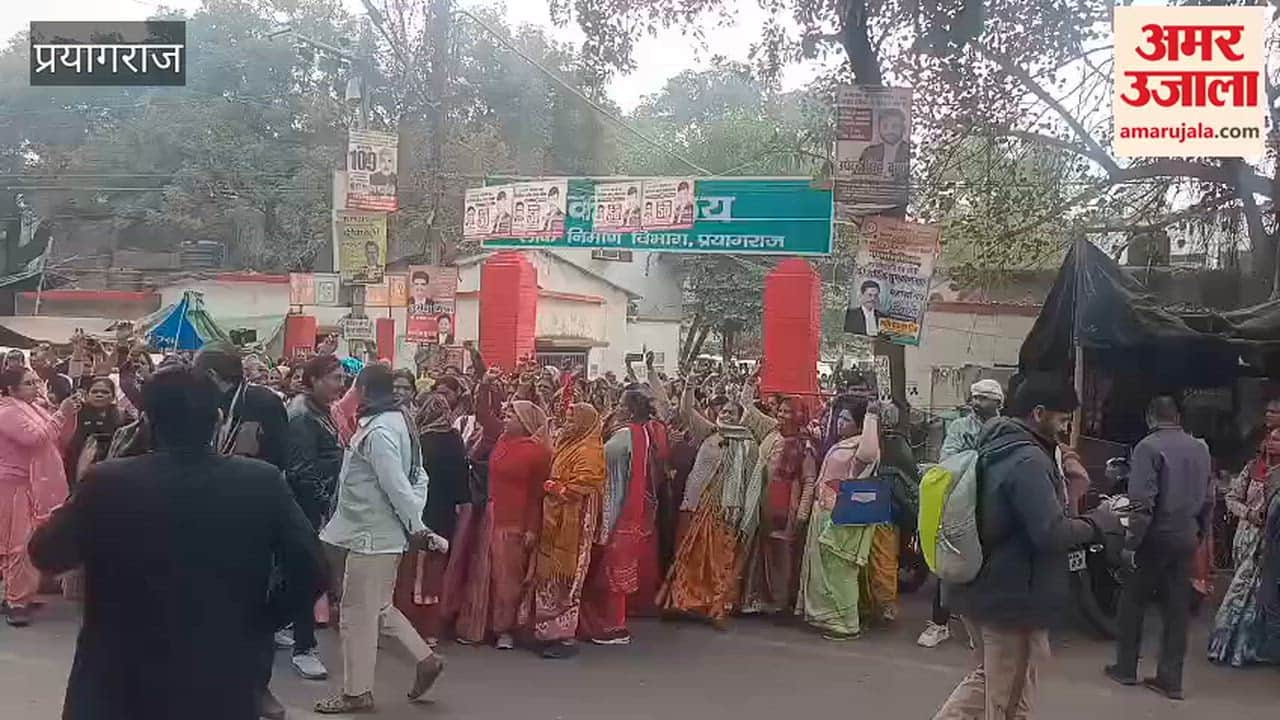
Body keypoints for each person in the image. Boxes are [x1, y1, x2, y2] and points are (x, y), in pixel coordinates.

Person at [28, 366, 327, 720]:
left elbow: (45, 553)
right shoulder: (260, 482)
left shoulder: (107, 482)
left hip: (119, 678)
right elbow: (312, 568)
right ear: (217, 419)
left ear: (148, 420)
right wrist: (260, 620)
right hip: (219, 675)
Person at [935, 373, 1118, 720]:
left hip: (988, 589)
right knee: (1008, 699)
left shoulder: (996, 445)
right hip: (1013, 597)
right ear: (1038, 413)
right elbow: (1050, 533)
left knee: (990, 681)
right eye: (1062, 419)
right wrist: (1098, 524)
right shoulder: (1027, 461)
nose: (1065, 429)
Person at [315, 365, 446, 714]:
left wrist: (418, 527)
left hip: (371, 535)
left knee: (356, 616)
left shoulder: (379, 431)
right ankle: (425, 659)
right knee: (379, 608)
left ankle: (356, 692)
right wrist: (414, 523)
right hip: (376, 532)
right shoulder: (398, 421)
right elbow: (418, 477)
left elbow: (398, 485)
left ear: (363, 389)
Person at [194, 342, 291, 719]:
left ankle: (256, 687)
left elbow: (282, 459)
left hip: (251, 515)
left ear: (215, 377)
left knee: (251, 606)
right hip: (205, 513)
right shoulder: (197, 403)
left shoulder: (264, 402)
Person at [1106, 395, 1213, 699]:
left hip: (1154, 537)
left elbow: (1142, 503)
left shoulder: (1147, 447)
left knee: (1133, 601)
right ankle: (1171, 680)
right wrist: (1200, 533)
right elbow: (1209, 498)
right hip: (1186, 536)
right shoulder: (1201, 448)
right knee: (1177, 609)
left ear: (1151, 417)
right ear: (1177, 417)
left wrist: (1131, 543)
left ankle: (1126, 669)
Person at [451, 399, 552, 648]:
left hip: (515, 520)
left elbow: (537, 494)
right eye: (506, 413)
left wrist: (531, 527)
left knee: (509, 578)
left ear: (525, 421)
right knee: (485, 574)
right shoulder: (502, 441)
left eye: (512, 415)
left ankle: (506, 630)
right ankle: (484, 626)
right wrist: (484, 385)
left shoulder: (539, 452)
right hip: (492, 514)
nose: (506, 417)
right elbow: (484, 414)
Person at [657, 384, 759, 627]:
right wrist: (690, 386)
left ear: (741, 417)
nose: (726, 416)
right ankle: (685, 602)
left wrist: (740, 510)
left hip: (725, 509)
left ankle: (715, 605)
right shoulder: (709, 432)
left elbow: (749, 480)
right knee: (689, 555)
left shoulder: (748, 444)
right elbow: (686, 411)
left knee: (717, 560)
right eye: (723, 411)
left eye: (732, 413)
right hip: (696, 504)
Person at [919, 378, 1005, 649]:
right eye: (975, 397)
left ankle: (976, 626)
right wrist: (977, 460)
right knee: (950, 563)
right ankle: (939, 624)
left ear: (998, 403)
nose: (977, 402)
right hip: (961, 501)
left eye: (984, 398)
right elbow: (949, 461)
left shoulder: (1006, 429)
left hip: (993, 504)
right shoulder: (959, 427)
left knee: (986, 567)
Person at [580, 390, 665, 644]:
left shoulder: (629, 435)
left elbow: (605, 459)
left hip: (618, 504)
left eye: (620, 405)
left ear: (628, 410)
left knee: (614, 568)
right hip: (620, 502)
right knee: (613, 567)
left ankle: (614, 626)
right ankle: (610, 622)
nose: (616, 408)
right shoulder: (638, 434)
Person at [522, 403, 607, 657]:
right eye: (566, 419)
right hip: (554, 522)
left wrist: (551, 486)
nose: (567, 424)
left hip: (575, 525)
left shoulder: (590, 450)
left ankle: (564, 639)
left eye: (572, 420)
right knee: (548, 575)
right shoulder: (567, 444)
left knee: (568, 578)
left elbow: (583, 485)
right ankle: (546, 633)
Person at [283, 354, 346, 680]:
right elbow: (301, 470)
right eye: (334, 377)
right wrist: (324, 507)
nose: (340, 384)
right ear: (314, 379)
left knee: (300, 575)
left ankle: (282, 624)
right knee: (313, 574)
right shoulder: (302, 415)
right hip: (305, 507)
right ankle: (303, 647)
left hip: (318, 504)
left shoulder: (321, 411)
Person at [797, 396, 881, 639]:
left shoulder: (863, 446)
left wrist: (871, 417)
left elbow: (867, 454)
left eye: (846, 419)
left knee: (839, 571)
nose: (840, 423)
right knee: (826, 571)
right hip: (824, 512)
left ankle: (846, 624)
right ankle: (828, 617)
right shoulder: (843, 443)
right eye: (840, 418)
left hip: (841, 516)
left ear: (859, 424)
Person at [0, 367, 74, 626]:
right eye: (28, 383)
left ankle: (19, 595)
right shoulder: (7, 412)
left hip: (29, 485)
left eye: (35, 382)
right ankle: (15, 602)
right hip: (12, 486)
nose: (35, 387)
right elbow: (35, 438)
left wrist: (67, 415)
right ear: (11, 389)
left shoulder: (34, 408)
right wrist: (61, 414)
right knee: (17, 544)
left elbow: (57, 439)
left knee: (26, 541)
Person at [394, 391, 469, 645]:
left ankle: (415, 626)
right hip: (445, 514)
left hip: (421, 512)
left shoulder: (420, 439)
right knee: (434, 571)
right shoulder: (455, 439)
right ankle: (431, 628)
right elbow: (462, 481)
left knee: (415, 571)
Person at [738, 382, 817, 615]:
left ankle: (781, 602)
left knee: (782, 556)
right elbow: (747, 407)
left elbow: (809, 482)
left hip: (788, 508)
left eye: (788, 411)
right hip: (764, 503)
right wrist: (751, 383)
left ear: (799, 415)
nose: (782, 415)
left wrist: (802, 514)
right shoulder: (772, 431)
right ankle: (762, 598)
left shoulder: (805, 445)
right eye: (780, 410)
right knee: (764, 552)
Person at [1209, 427, 1280, 666]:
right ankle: (1223, 646)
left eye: (1279, 440)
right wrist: (1249, 514)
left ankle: (1243, 649)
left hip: (1269, 544)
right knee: (1238, 591)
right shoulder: (1251, 469)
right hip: (1245, 539)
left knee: (1255, 597)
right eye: (1271, 438)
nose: (1273, 443)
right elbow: (1231, 498)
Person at [62, 377, 131, 488]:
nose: (99, 395)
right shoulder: (77, 414)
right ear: (87, 395)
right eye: (94, 391)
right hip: (77, 470)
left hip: (111, 470)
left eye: (105, 392)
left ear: (113, 396)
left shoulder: (122, 416)